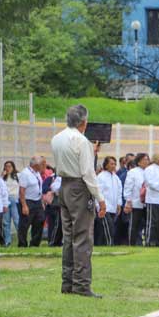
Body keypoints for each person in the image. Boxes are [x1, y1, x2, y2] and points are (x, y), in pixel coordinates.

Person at [50, 104, 107, 297]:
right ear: (84, 122)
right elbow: (88, 173)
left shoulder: (56, 138)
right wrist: (100, 198)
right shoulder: (82, 141)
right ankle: (82, 284)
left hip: (63, 186)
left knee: (69, 236)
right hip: (79, 188)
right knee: (82, 237)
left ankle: (67, 283)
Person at [17, 156, 47, 247]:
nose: (43, 166)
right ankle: (22, 244)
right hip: (27, 201)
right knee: (25, 223)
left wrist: (42, 201)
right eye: (42, 164)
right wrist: (24, 205)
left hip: (37, 201)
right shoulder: (25, 173)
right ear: (36, 165)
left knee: (40, 221)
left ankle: (34, 243)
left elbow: (39, 187)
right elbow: (22, 190)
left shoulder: (36, 173)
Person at [122, 153, 148, 246]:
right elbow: (128, 188)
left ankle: (145, 243)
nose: (146, 161)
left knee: (147, 225)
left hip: (147, 203)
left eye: (147, 159)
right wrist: (128, 201)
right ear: (139, 161)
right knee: (134, 225)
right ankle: (131, 243)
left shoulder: (148, 172)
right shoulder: (133, 172)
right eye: (144, 159)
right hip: (136, 203)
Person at [95, 156, 122, 246]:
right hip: (104, 207)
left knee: (109, 227)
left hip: (113, 208)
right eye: (111, 164)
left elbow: (119, 191)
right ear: (106, 165)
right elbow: (98, 192)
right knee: (108, 227)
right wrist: (99, 206)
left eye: (115, 164)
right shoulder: (101, 177)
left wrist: (119, 204)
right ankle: (109, 244)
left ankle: (101, 244)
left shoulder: (116, 178)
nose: (113, 166)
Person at [42, 166, 63, 246]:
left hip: (60, 205)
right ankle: (52, 241)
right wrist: (52, 190)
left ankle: (58, 241)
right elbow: (45, 189)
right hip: (54, 205)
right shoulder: (52, 178)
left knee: (59, 225)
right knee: (54, 225)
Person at [2, 160, 20, 247]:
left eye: (9, 166)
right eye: (6, 166)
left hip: (14, 199)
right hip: (5, 200)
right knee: (6, 222)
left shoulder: (17, 176)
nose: (8, 168)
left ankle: (21, 240)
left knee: (17, 220)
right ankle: (7, 241)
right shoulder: (2, 178)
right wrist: (2, 176)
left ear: (13, 167)